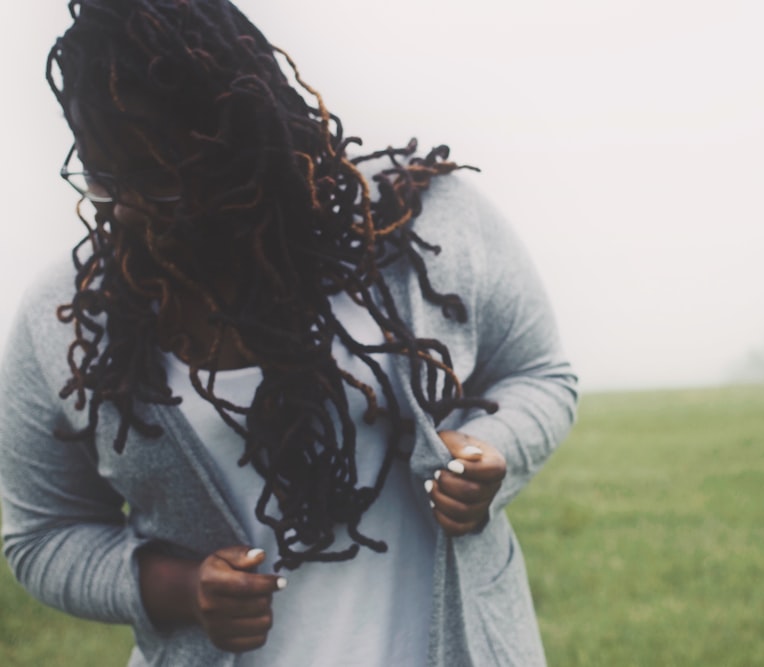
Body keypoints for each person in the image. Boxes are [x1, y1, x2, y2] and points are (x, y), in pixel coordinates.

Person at [0, 1, 578, 665]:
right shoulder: (72, 316)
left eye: (163, 177)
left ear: (243, 137)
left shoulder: (416, 226)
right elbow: (42, 533)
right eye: (107, 178)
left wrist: (491, 451)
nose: (131, 210)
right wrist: (180, 588)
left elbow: (541, 373)